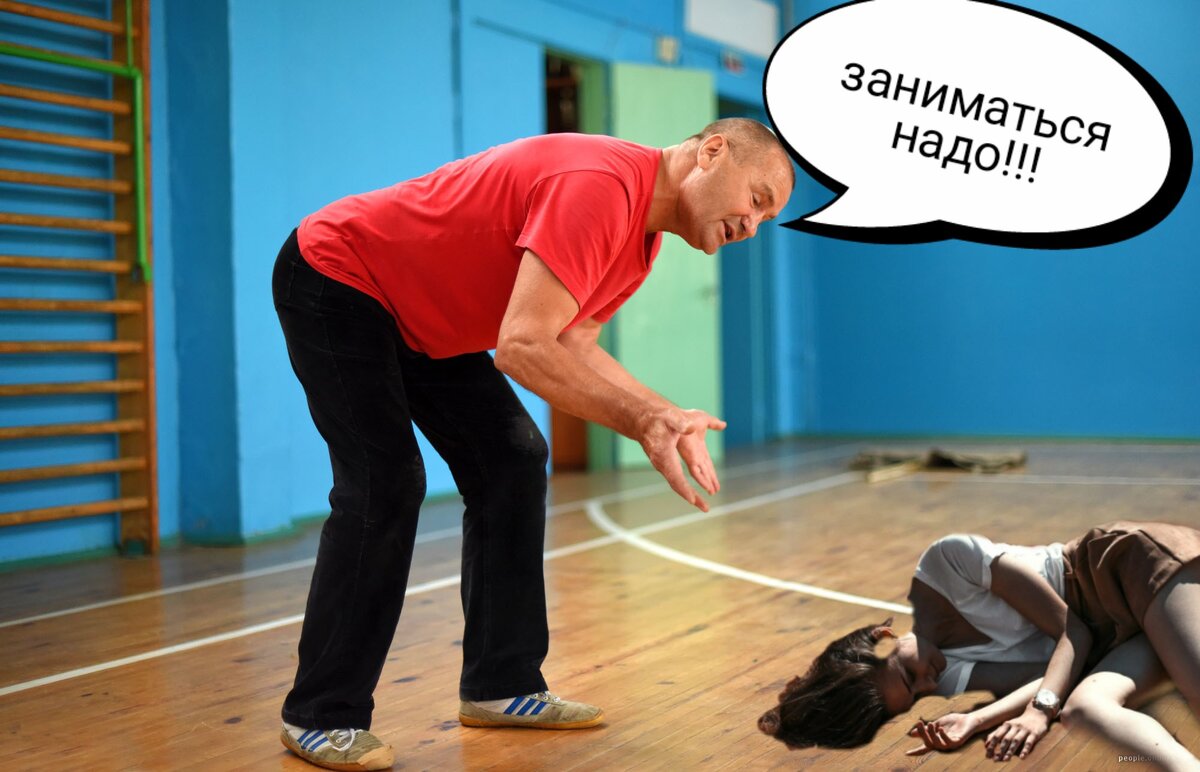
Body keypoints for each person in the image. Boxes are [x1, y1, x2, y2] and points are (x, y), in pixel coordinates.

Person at [272, 117, 795, 770]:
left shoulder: (641, 243)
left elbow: (574, 344)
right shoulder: (600, 187)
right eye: (757, 200)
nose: (752, 225)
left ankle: (502, 683)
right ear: (712, 151)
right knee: (385, 483)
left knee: (513, 460)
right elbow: (522, 347)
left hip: (420, 317)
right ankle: (320, 714)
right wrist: (642, 421)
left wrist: (662, 413)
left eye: (766, 218)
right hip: (340, 276)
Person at [757, 520, 1200, 771]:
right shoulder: (947, 675)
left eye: (908, 676)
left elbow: (1074, 633)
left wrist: (1037, 713)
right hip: (1124, 634)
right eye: (916, 696)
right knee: (1085, 709)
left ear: (884, 637)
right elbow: (1061, 678)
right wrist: (975, 721)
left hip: (1127, 573)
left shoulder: (947, 563)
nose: (928, 684)